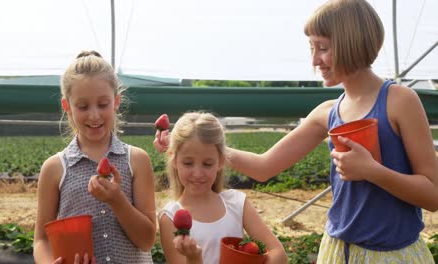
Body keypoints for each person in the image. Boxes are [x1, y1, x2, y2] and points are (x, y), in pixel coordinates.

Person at [154, 1, 438, 263]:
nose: (315, 60)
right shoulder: (327, 112)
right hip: (338, 250)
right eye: (311, 48)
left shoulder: (400, 101)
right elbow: (264, 167)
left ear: (352, 43)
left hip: (392, 254)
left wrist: (373, 171)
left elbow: (433, 195)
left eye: (323, 48)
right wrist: (199, 148)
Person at [34, 51, 156, 264]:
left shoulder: (136, 160)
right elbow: (41, 240)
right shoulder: (55, 168)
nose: (94, 115)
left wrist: (118, 201)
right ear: (67, 107)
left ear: (116, 102)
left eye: (102, 104)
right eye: (82, 106)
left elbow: (146, 240)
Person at [157, 112, 287, 264]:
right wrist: (194, 258)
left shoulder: (237, 203)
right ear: (174, 159)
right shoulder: (170, 217)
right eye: (188, 163)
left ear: (220, 162)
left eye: (207, 164)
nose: (198, 174)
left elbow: (279, 255)